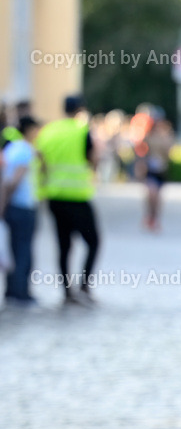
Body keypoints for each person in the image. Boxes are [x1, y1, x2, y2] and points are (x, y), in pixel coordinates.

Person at [36, 95, 100, 305]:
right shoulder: (82, 130)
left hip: (55, 196)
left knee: (64, 245)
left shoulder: (48, 131)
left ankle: (67, 292)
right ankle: (84, 285)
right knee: (93, 241)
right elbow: (93, 159)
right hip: (78, 197)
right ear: (80, 109)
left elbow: (41, 161)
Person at [1, 115, 40, 305]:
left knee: (12, 248)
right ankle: (20, 291)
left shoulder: (11, 148)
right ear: (30, 129)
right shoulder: (26, 150)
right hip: (23, 206)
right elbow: (15, 180)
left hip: (12, 206)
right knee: (23, 249)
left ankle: (11, 290)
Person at [137, 117, 175, 231]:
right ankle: (149, 215)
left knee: (157, 197)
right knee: (151, 193)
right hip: (150, 170)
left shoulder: (167, 138)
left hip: (161, 171)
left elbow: (169, 154)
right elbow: (141, 151)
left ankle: (155, 217)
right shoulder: (149, 137)